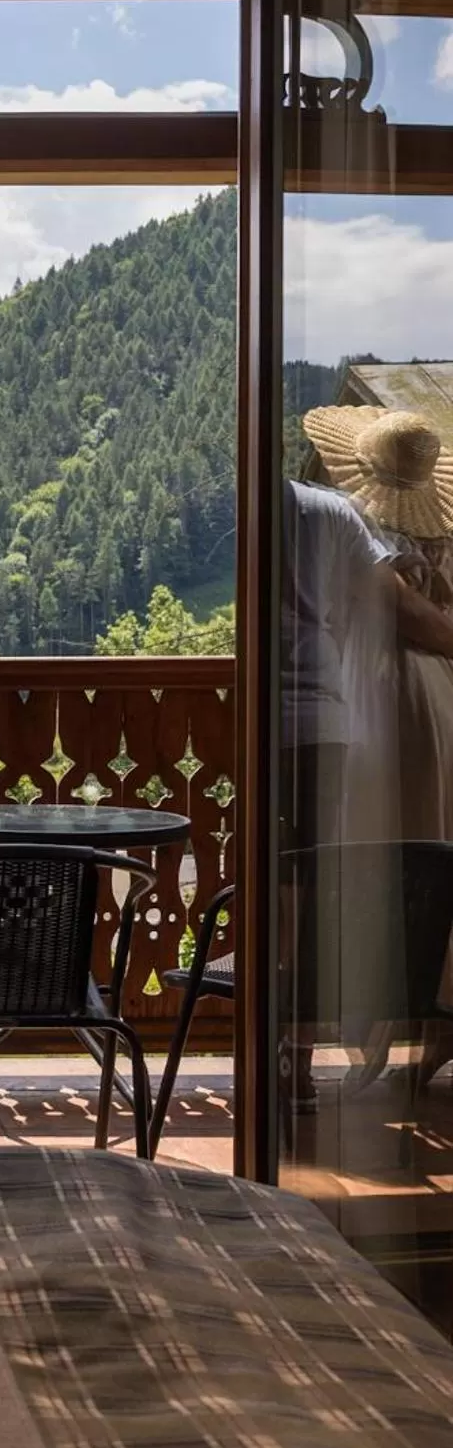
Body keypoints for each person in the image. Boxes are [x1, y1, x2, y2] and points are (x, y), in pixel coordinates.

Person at [303, 407, 453, 1085]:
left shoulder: (353, 530)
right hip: (435, 694)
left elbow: (410, 620)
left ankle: (386, 1020)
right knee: (426, 836)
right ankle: (424, 1024)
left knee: (388, 842)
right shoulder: (428, 540)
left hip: (381, 693)